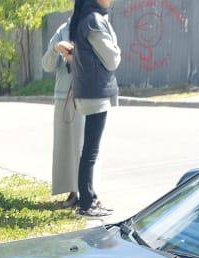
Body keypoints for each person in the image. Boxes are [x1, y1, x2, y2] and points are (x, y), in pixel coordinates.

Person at [65, 0, 120, 217]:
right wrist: (117, 50)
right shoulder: (94, 20)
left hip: (89, 90)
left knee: (89, 150)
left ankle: (89, 198)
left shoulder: (86, 18)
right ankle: (87, 203)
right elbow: (112, 59)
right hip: (95, 92)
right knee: (90, 151)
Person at [43, 18, 83, 208]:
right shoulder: (62, 29)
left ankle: (86, 192)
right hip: (63, 96)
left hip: (86, 95)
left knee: (83, 147)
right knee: (64, 147)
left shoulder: (94, 25)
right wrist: (55, 48)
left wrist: (75, 56)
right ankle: (72, 191)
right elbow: (47, 65)